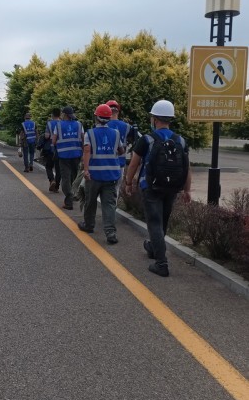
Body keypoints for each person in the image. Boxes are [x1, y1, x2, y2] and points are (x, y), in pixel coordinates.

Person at [124, 99, 192, 277]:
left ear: (154, 119)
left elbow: (133, 164)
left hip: (151, 188)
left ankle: (161, 264)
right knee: (163, 221)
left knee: (154, 223)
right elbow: (187, 167)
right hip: (172, 188)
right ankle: (154, 249)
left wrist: (128, 182)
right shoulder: (181, 141)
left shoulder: (147, 139)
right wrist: (187, 190)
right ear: (170, 119)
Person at [78, 104, 123, 244]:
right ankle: (110, 233)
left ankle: (89, 225)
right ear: (109, 118)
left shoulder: (89, 134)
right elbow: (121, 150)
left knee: (90, 201)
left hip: (94, 175)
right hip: (111, 175)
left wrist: (86, 170)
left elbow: (86, 151)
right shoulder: (116, 133)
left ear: (96, 117)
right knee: (108, 204)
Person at [52, 106, 83, 210]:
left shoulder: (59, 125)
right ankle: (73, 194)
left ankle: (69, 199)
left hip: (63, 156)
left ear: (64, 114)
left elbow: (54, 141)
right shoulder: (79, 125)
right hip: (76, 155)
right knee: (74, 176)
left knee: (65, 178)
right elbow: (83, 140)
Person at [106, 100, 132, 198]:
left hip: (106, 163)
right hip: (120, 163)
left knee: (105, 190)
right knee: (115, 190)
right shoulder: (126, 126)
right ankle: (112, 210)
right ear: (118, 112)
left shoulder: (104, 126)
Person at [44, 108, 61, 193]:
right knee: (58, 169)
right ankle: (57, 186)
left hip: (51, 149)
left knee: (49, 166)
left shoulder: (49, 123)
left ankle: (52, 180)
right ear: (60, 115)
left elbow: (47, 136)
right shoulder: (62, 123)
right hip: (60, 149)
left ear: (52, 115)